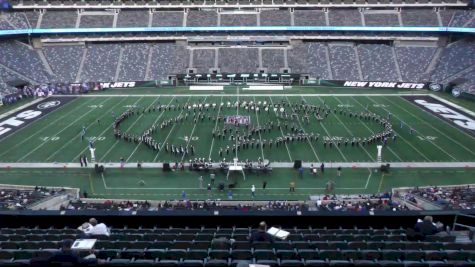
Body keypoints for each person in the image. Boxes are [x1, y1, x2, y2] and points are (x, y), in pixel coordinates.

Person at [30, 239, 98, 266]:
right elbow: (82, 261)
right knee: (92, 256)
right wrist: (96, 259)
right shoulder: (73, 255)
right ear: (71, 245)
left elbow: (46, 260)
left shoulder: (55, 254)